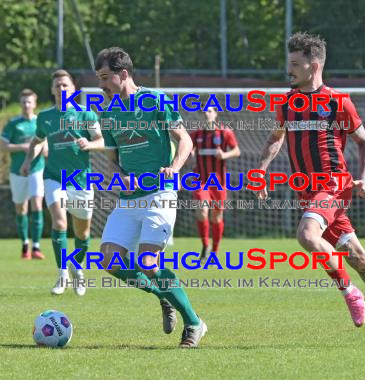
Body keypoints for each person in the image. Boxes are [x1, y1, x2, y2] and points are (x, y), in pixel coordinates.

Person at [253, 32, 365, 348]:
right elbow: (276, 138)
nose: (289, 70)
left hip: (333, 185)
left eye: (295, 64)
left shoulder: (338, 101)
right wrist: (260, 170)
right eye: (289, 63)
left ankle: (349, 292)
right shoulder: (286, 103)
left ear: (313, 65)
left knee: (306, 235)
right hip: (308, 193)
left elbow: (364, 142)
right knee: (357, 257)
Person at [96, 47, 207, 348]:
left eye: (105, 77)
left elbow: (184, 140)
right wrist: (120, 176)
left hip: (160, 193)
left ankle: (195, 323)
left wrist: (174, 167)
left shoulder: (156, 100)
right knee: (109, 260)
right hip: (129, 199)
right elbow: (112, 161)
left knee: (148, 262)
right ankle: (163, 296)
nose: (101, 85)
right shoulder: (108, 113)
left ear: (123, 74)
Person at [21, 70, 104, 296]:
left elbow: (101, 140)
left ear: (73, 89)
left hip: (81, 181)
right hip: (54, 177)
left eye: (65, 85)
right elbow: (37, 141)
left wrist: (89, 143)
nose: (61, 89)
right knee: (59, 223)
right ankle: (62, 274)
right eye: (57, 85)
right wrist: (29, 160)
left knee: (82, 234)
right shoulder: (45, 117)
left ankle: (77, 269)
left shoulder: (86, 114)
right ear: (52, 90)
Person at [0, 89, 46, 260]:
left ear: (35, 104)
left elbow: (46, 145)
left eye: (29, 102)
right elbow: (3, 146)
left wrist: (42, 148)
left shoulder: (40, 122)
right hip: (17, 171)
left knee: (37, 204)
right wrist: (23, 147)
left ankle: (36, 247)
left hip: (37, 169)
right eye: (23, 102)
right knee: (21, 208)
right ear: (20, 104)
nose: (26, 105)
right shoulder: (13, 124)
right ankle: (25, 245)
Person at [190, 107, 240, 261]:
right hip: (200, 180)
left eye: (210, 111)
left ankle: (215, 252)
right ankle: (205, 245)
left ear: (216, 114)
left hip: (218, 182)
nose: (207, 113)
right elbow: (187, 147)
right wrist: (189, 153)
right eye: (204, 111)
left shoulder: (225, 132)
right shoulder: (197, 134)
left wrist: (224, 154)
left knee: (217, 216)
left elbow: (237, 151)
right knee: (202, 211)